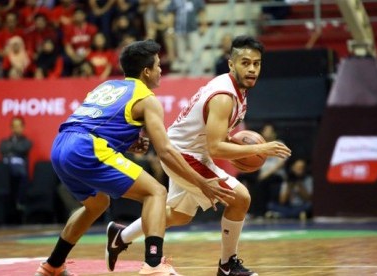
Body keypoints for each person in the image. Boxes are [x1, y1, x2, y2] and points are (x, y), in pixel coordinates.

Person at [35, 39, 234, 276]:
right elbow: (166, 152)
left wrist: (129, 143)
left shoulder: (106, 86)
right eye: (158, 65)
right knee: (156, 192)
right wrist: (201, 183)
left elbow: (93, 123)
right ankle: (153, 264)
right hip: (85, 147)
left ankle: (53, 265)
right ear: (146, 71)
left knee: (97, 204)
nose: (161, 70)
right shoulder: (147, 99)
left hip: (61, 145)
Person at [112, 35, 291, 276]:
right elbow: (216, 148)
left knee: (179, 215)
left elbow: (214, 138)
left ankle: (119, 236)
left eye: (256, 64)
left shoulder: (235, 89)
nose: (251, 69)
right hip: (183, 153)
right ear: (231, 64)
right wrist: (260, 149)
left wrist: (235, 143)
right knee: (240, 198)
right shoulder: (224, 97)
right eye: (245, 63)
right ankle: (227, 265)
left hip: (190, 148)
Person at [0, 116, 33, 214]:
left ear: (22, 127)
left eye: (18, 126)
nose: (16, 128)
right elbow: (2, 149)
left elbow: (22, 148)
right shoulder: (5, 141)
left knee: (21, 173)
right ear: (11, 128)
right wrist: (14, 148)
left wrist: (10, 149)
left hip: (19, 167)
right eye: (14, 126)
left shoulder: (27, 142)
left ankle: (20, 201)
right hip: (5, 166)